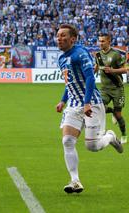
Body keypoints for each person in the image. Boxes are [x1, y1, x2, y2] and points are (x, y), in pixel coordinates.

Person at [55, 24, 123, 194]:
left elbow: (90, 79)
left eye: (63, 36)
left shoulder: (80, 53)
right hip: (73, 105)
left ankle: (110, 136)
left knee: (92, 147)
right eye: (58, 36)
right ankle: (75, 181)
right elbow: (70, 82)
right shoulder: (61, 58)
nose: (59, 39)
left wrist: (86, 103)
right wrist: (63, 101)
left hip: (91, 103)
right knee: (67, 141)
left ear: (73, 39)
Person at [95, 33, 128, 143]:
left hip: (117, 88)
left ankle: (124, 134)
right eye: (99, 41)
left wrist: (112, 70)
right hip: (104, 89)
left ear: (109, 41)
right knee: (99, 108)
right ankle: (112, 111)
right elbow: (95, 68)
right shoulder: (98, 55)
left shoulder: (115, 55)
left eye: (103, 41)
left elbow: (125, 70)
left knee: (119, 115)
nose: (101, 43)